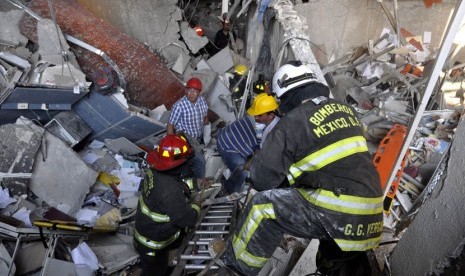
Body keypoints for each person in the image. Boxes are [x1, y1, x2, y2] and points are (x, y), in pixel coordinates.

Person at [221, 61, 384, 275]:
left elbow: (261, 179)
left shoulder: (293, 120)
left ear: (285, 96)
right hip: (372, 213)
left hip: (339, 207)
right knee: (333, 253)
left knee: (261, 208)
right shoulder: (346, 110)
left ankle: (235, 269)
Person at [134, 134, 201, 276]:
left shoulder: (156, 171)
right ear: (178, 164)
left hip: (146, 232)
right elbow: (187, 219)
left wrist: (197, 184)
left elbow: (177, 185)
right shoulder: (169, 192)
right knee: (155, 272)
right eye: (186, 160)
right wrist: (197, 205)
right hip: (153, 245)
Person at [217, 93, 279, 194]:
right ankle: (228, 191)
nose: (256, 117)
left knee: (246, 168)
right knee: (242, 172)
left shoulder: (272, 129)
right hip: (227, 145)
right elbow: (259, 153)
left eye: (260, 115)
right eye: (256, 114)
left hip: (234, 140)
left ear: (271, 115)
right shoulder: (261, 126)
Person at [167, 77, 210, 183]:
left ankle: (190, 174)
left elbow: (205, 118)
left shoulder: (202, 102)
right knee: (200, 160)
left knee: (191, 158)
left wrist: (207, 134)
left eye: (194, 91)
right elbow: (170, 125)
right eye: (189, 90)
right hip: (184, 136)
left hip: (197, 135)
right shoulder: (179, 106)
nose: (191, 93)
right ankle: (200, 184)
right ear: (186, 90)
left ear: (199, 92)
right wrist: (172, 144)